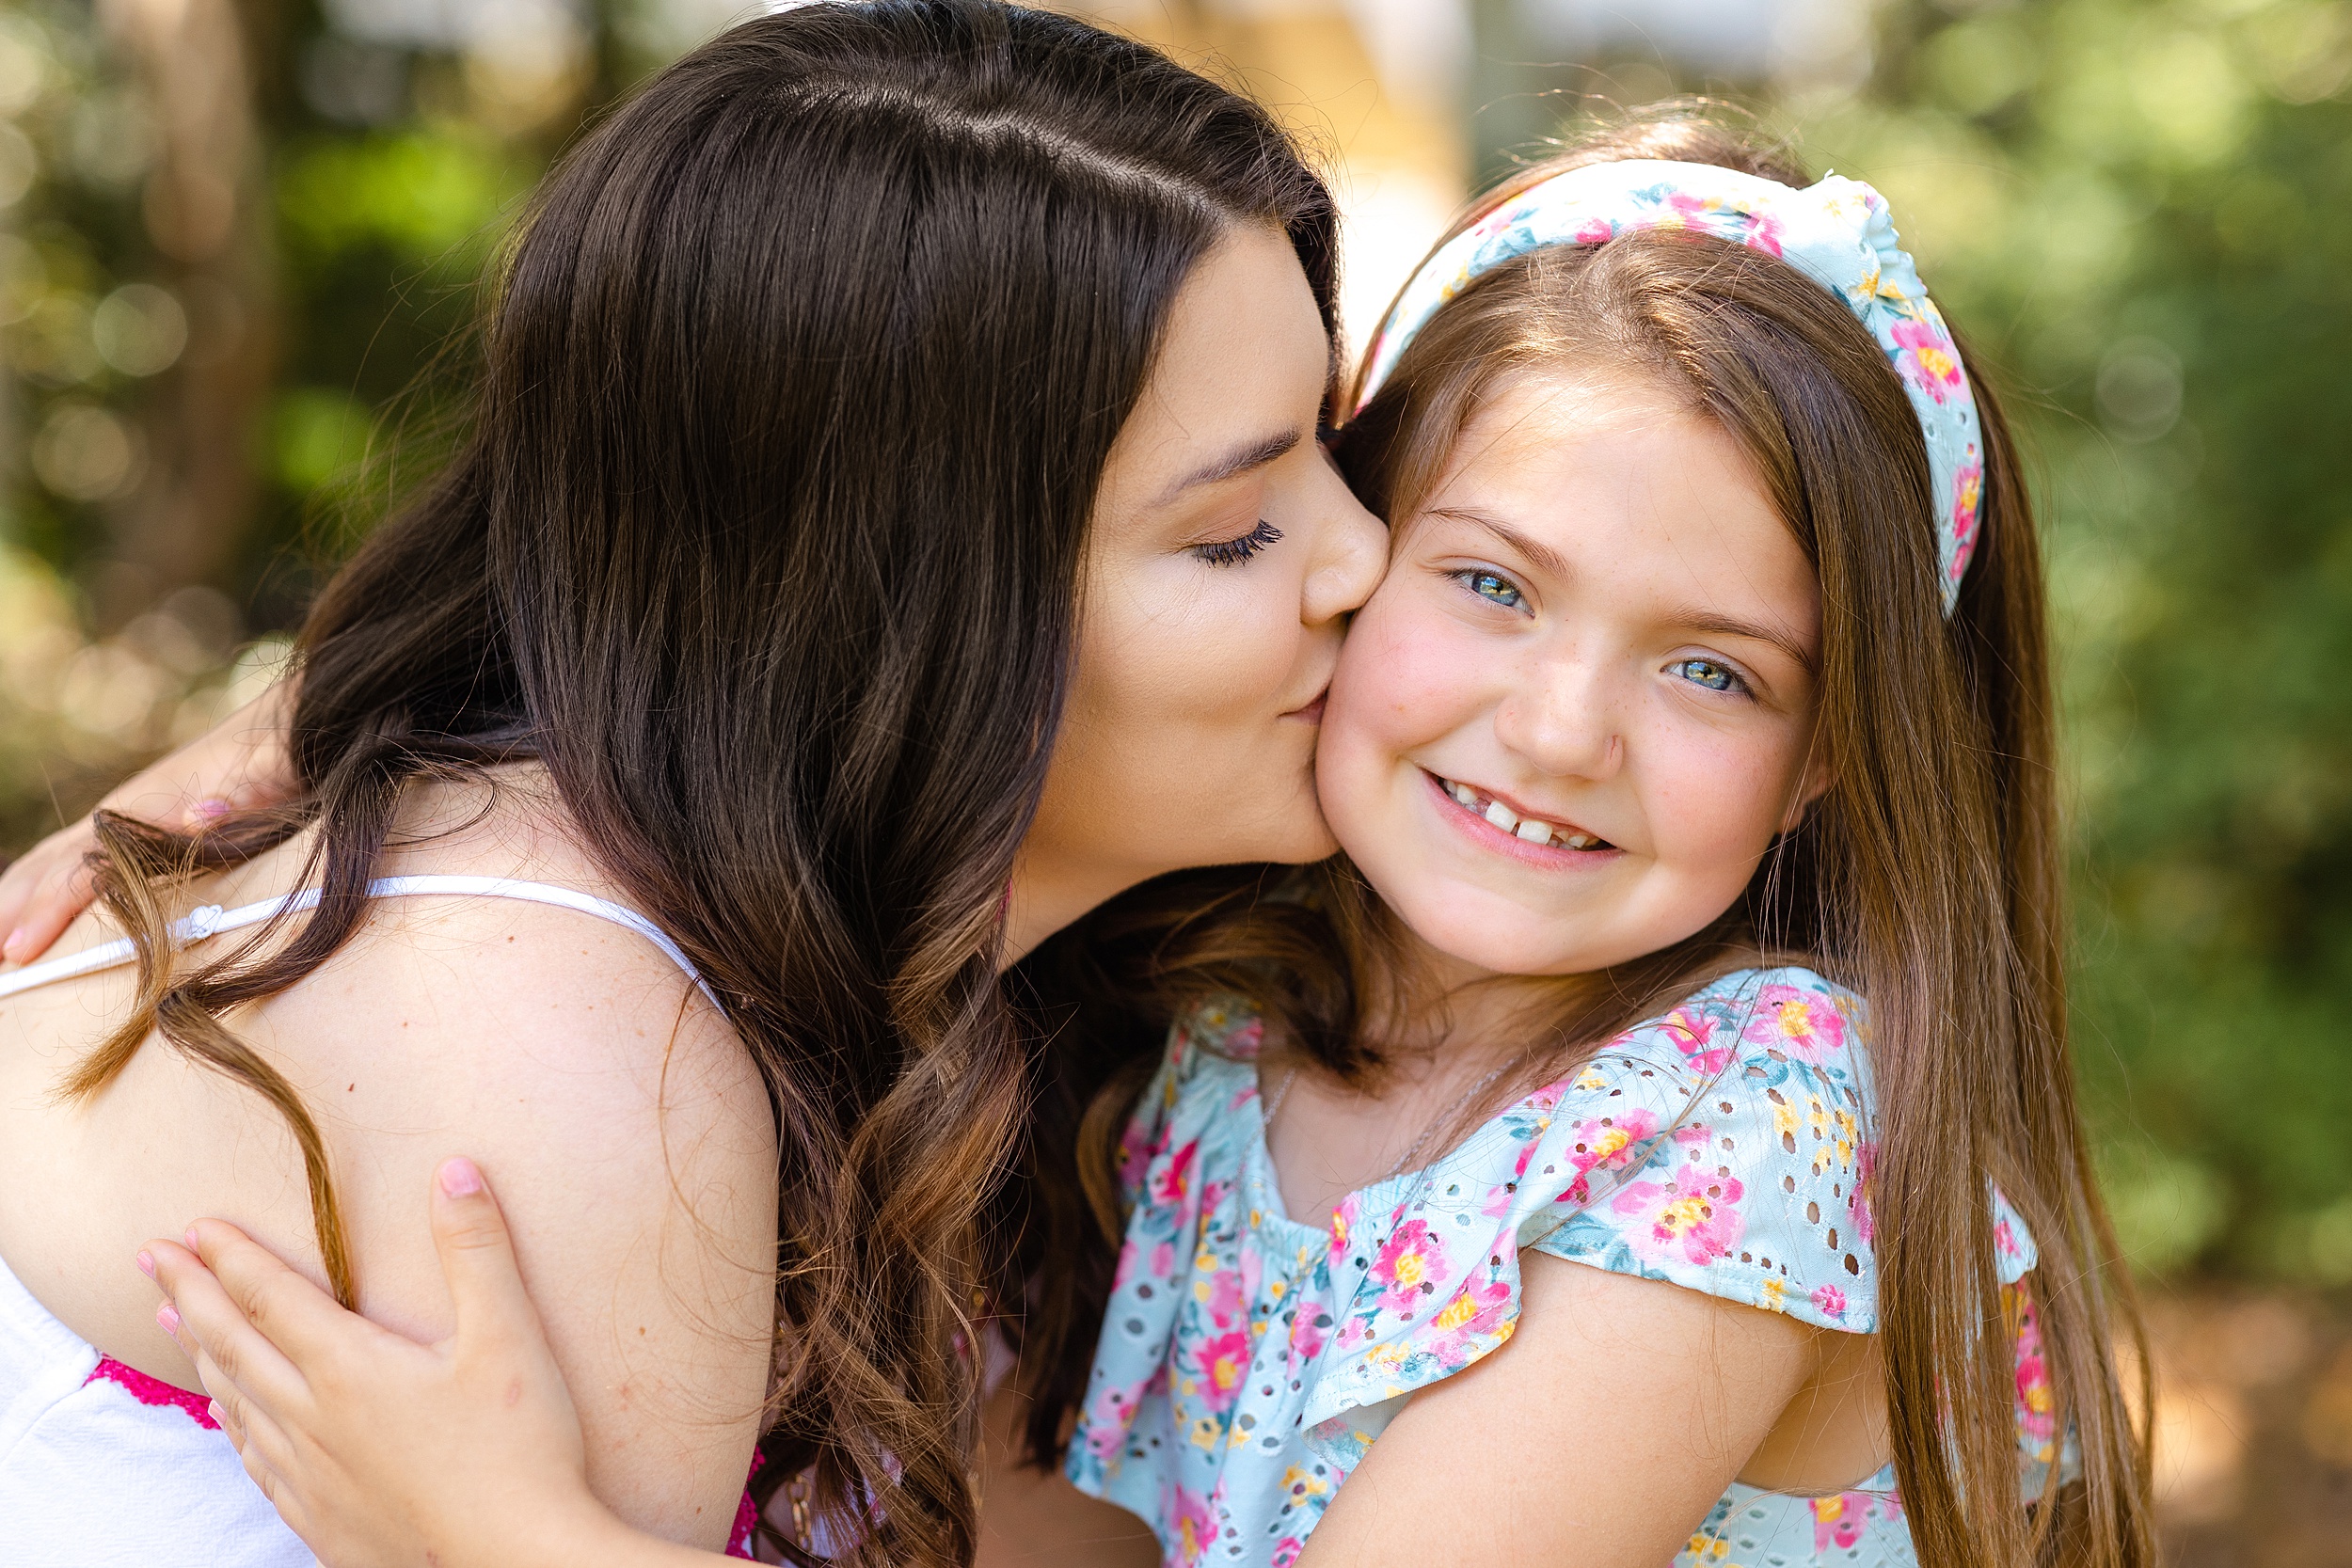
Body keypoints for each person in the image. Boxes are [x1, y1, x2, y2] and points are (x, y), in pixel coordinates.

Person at [135, 117, 2157, 1568]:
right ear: (1343, 546)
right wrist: (262, 747)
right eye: (1491, 584)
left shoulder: (1742, 1128)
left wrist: (506, 1542)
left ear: (1829, 762)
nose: (1559, 729)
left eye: (1714, 673)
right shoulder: (1222, 1000)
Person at [0, 4, 1385, 1565]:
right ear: (884, 617)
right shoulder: (563, 1040)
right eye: (1233, 532)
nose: (1370, 557)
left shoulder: (919, 983)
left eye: (1339, 454)